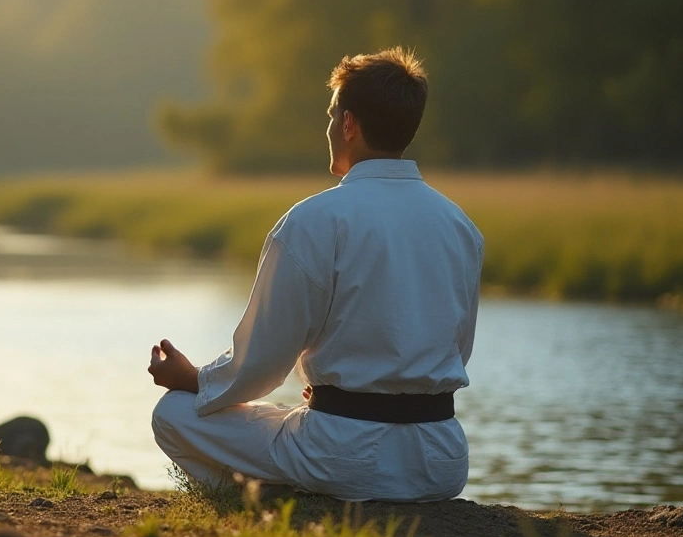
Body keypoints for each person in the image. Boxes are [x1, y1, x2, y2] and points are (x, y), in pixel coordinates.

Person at [147, 47, 483, 502]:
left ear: (348, 124)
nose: (328, 128)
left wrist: (195, 380)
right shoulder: (460, 226)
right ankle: (294, 487)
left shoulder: (313, 221)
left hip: (342, 456)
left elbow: (261, 365)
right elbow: (456, 351)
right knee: (304, 415)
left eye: (331, 116)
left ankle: (270, 502)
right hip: (440, 462)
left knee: (174, 413)